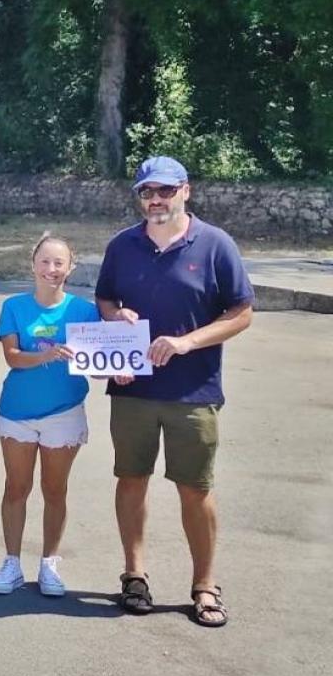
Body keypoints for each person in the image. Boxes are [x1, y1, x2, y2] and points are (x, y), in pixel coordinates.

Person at [95, 156, 253, 628]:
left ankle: (205, 585)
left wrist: (186, 341)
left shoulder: (215, 244)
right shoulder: (122, 245)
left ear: (186, 190)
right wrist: (112, 317)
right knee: (131, 480)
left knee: (195, 488)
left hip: (194, 392)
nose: (155, 200)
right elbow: (105, 298)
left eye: (164, 191)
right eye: (147, 192)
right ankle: (134, 575)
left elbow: (241, 312)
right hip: (131, 389)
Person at [0, 235, 99, 597]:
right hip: (17, 413)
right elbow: (13, 357)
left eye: (59, 263)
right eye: (45, 262)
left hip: (64, 413)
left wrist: (122, 359)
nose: (52, 269)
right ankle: (12, 562)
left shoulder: (84, 311)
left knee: (55, 490)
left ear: (70, 268)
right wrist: (47, 356)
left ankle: (49, 563)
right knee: (16, 488)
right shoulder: (15, 307)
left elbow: (98, 362)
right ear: (33, 265)